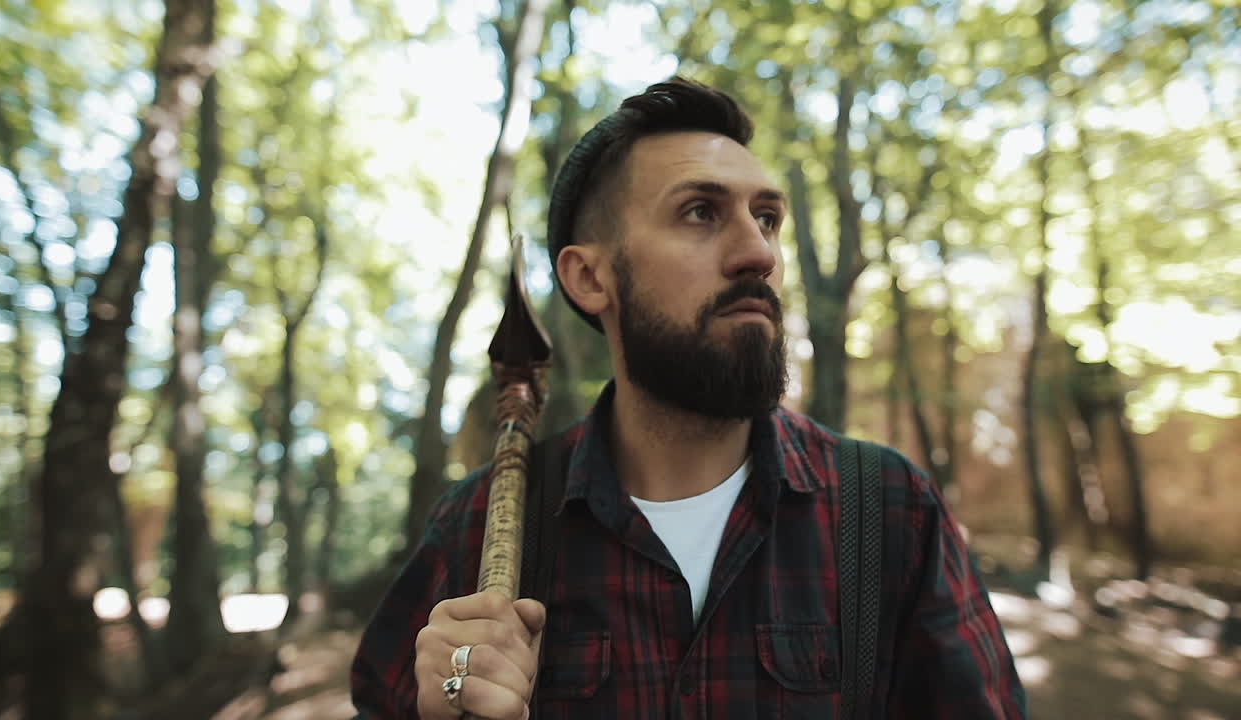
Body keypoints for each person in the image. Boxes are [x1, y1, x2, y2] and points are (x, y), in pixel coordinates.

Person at [350, 77, 1026, 720]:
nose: (757, 252)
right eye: (700, 212)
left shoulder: (888, 513)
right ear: (590, 277)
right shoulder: (477, 528)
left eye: (767, 218)